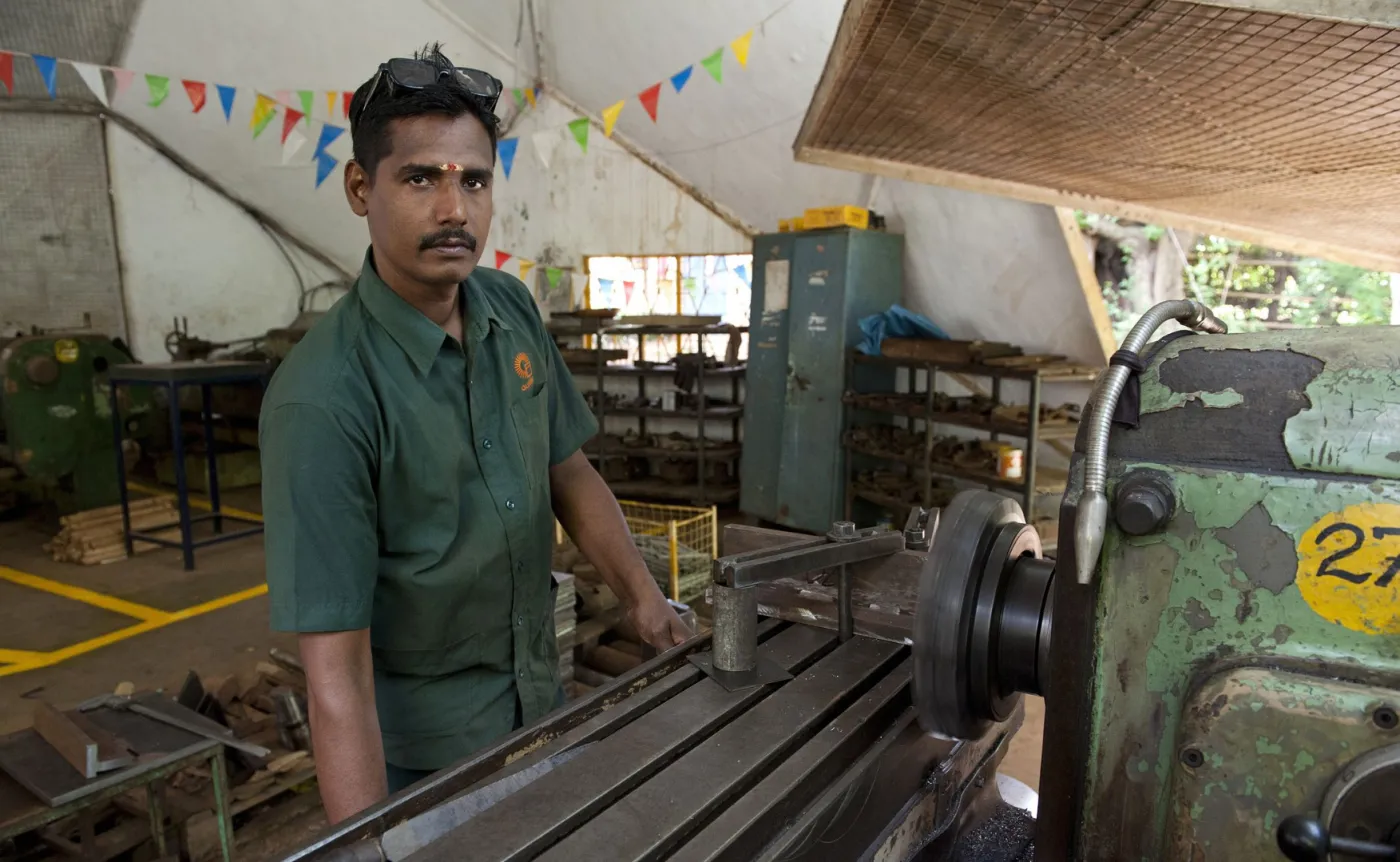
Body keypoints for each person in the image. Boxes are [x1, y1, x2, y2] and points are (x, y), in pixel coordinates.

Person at [258, 43, 693, 824]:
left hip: (540, 702)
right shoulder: (323, 401)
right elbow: (336, 677)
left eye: (475, 180)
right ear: (361, 187)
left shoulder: (510, 309)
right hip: (428, 765)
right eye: (420, 177)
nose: (455, 209)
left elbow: (570, 471)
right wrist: (371, 841)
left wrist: (645, 599)